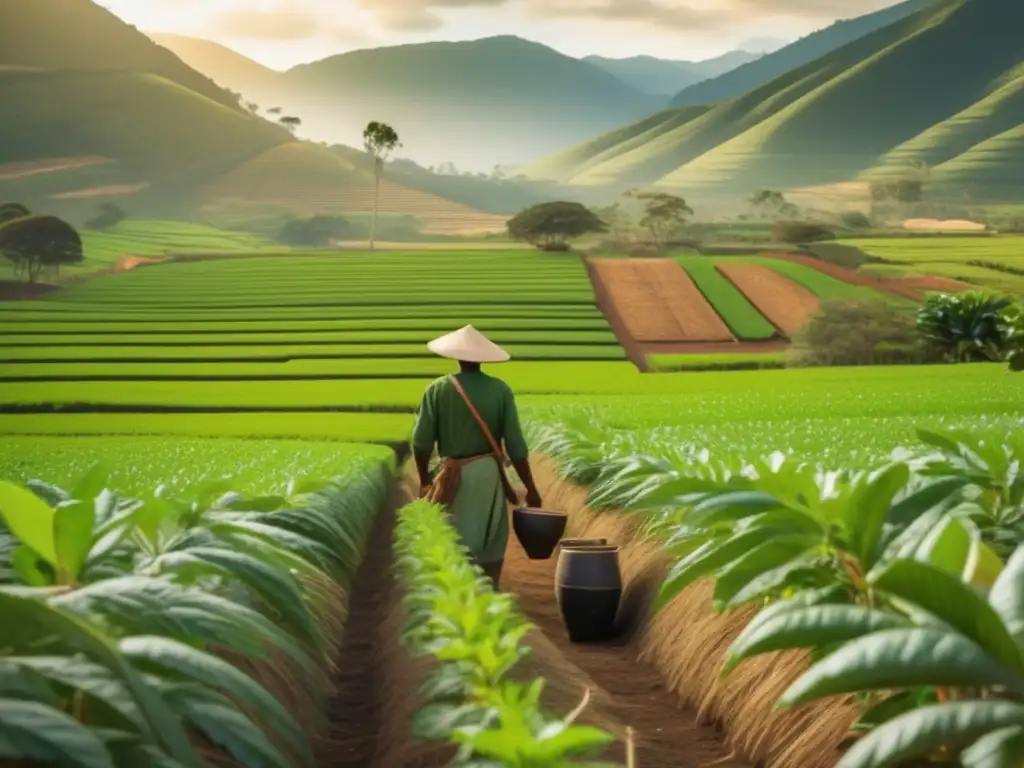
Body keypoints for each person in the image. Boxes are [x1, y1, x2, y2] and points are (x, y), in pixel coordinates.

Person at [411, 325, 543, 589]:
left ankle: (458, 600)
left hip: (452, 477)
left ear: (455, 356)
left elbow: (421, 442)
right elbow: (516, 446)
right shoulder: (500, 390)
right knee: (491, 541)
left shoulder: (437, 390)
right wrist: (531, 488)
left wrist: (424, 477)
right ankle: (488, 596)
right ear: (482, 357)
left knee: (457, 539)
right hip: (490, 475)